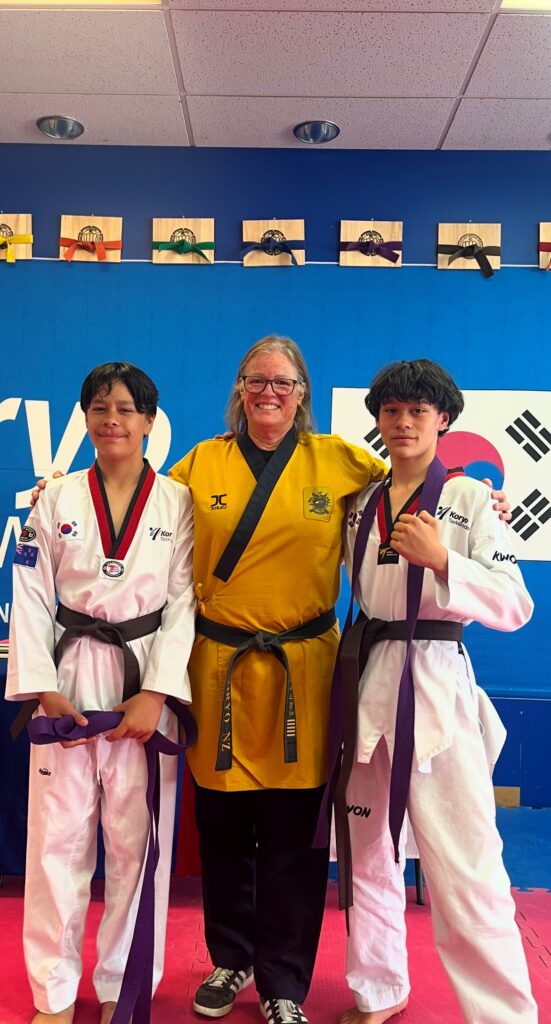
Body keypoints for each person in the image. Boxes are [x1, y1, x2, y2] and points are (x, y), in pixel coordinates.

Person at [167, 337, 510, 1024]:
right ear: (238, 388)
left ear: (304, 392)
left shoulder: (340, 461)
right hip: (223, 667)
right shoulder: (201, 461)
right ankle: (231, 957)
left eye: (284, 381)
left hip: (310, 668)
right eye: (256, 379)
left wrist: (479, 512)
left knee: (297, 834)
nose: (269, 391)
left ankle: (284, 984)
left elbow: (421, 484)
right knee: (225, 826)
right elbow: (150, 518)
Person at [336, 359, 537, 1024]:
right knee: (367, 859)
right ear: (377, 421)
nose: (402, 423)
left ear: (442, 420)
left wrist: (445, 558)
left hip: (437, 683)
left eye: (416, 412)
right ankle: (377, 988)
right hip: (368, 682)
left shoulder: (473, 500)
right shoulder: (360, 504)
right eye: (390, 411)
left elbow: (514, 603)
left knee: (467, 866)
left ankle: (502, 1014)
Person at [6, 362, 196, 1024]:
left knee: (135, 842)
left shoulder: (177, 502)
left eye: (125, 408)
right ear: (84, 418)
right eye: (98, 407)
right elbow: (29, 593)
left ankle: (124, 981)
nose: (110, 419)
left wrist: (159, 695)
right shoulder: (53, 500)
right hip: (69, 673)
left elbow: (185, 604)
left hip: (141, 676)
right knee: (55, 841)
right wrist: (39, 687)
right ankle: (53, 992)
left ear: (149, 421)